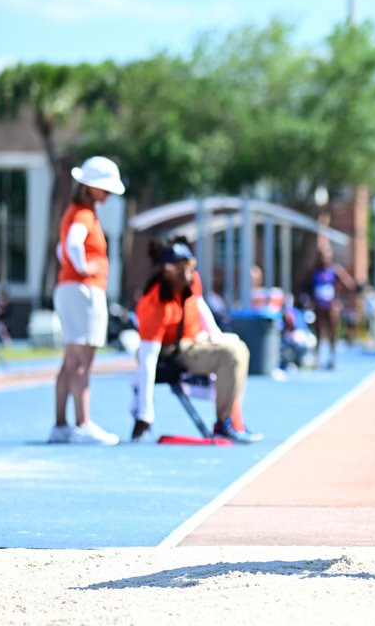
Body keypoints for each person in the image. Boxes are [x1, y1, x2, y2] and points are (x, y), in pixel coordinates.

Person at [131, 239, 260, 443]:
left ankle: (233, 420)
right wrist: (145, 412)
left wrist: (215, 335)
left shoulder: (191, 281)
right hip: (171, 353)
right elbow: (148, 358)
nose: (187, 273)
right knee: (232, 354)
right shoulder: (154, 305)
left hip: (194, 341)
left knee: (239, 347)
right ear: (167, 271)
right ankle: (223, 423)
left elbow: (199, 305)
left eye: (190, 266)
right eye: (180, 269)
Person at [47, 156, 124, 445]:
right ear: (90, 187)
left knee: (71, 360)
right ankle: (83, 423)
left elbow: (62, 248)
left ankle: (61, 425)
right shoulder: (84, 215)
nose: (108, 195)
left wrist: (73, 266)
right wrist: (82, 267)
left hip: (70, 288)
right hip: (84, 290)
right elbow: (71, 244)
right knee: (82, 361)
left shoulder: (75, 212)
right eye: (105, 189)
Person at [307, 243, 355, 370]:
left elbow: (349, 285)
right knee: (318, 332)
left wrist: (340, 300)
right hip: (318, 306)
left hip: (331, 307)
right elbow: (306, 287)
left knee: (332, 332)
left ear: (330, 256)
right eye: (321, 256)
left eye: (326, 256)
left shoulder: (335, 270)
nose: (323, 259)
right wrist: (310, 300)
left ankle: (332, 359)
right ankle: (317, 359)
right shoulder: (314, 271)